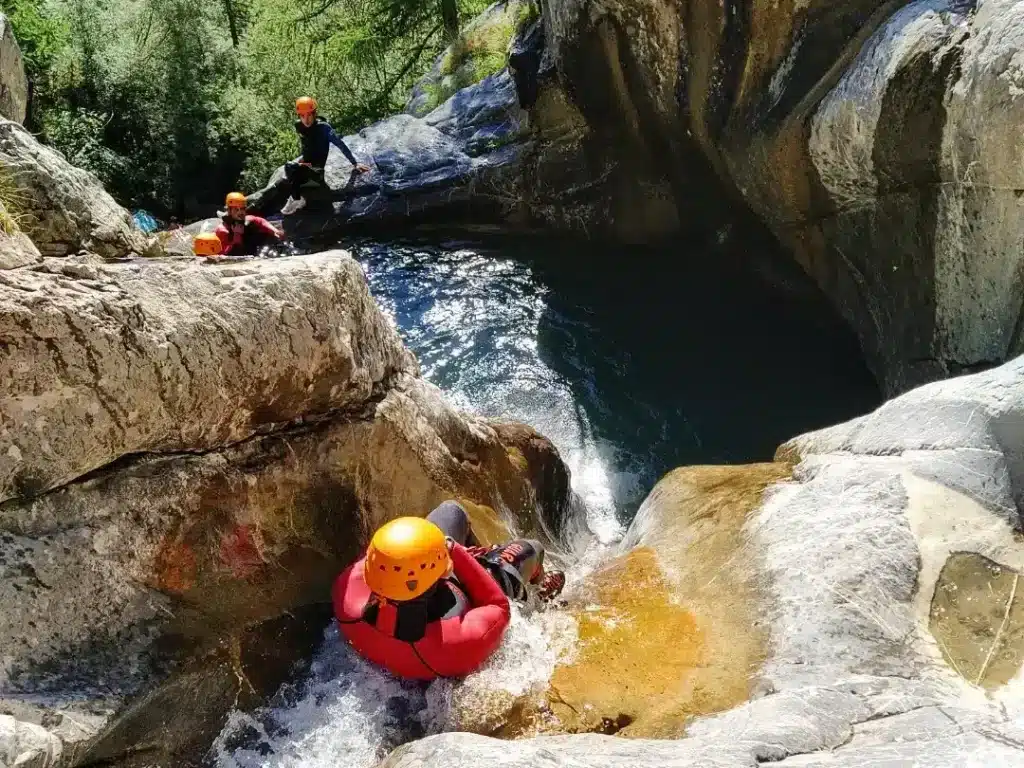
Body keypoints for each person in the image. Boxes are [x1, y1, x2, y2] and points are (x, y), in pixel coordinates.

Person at [333, 500, 565, 681]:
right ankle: (540, 593)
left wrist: (422, 546)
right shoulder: (457, 641)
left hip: (425, 586)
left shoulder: (348, 596)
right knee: (531, 549)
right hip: (469, 594)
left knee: (452, 511)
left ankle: (477, 553)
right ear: (443, 573)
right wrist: (454, 550)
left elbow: (384, 555)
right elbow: (498, 605)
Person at [280, 96, 371, 216]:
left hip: (316, 171)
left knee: (292, 168)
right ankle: (299, 193)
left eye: (309, 115)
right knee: (289, 168)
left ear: (314, 113)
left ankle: (297, 200)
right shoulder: (299, 126)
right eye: (302, 116)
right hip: (307, 165)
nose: (306, 120)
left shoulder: (324, 128)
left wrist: (355, 163)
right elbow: (307, 145)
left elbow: (340, 144)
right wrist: (303, 159)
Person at [215, 192, 283, 256]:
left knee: (259, 230)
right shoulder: (222, 231)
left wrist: (275, 231)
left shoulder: (247, 220)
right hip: (235, 257)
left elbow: (261, 221)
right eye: (236, 209)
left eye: (242, 209)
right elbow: (229, 254)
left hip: (251, 251)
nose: (241, 212)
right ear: (229, 211)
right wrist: (237, 234)